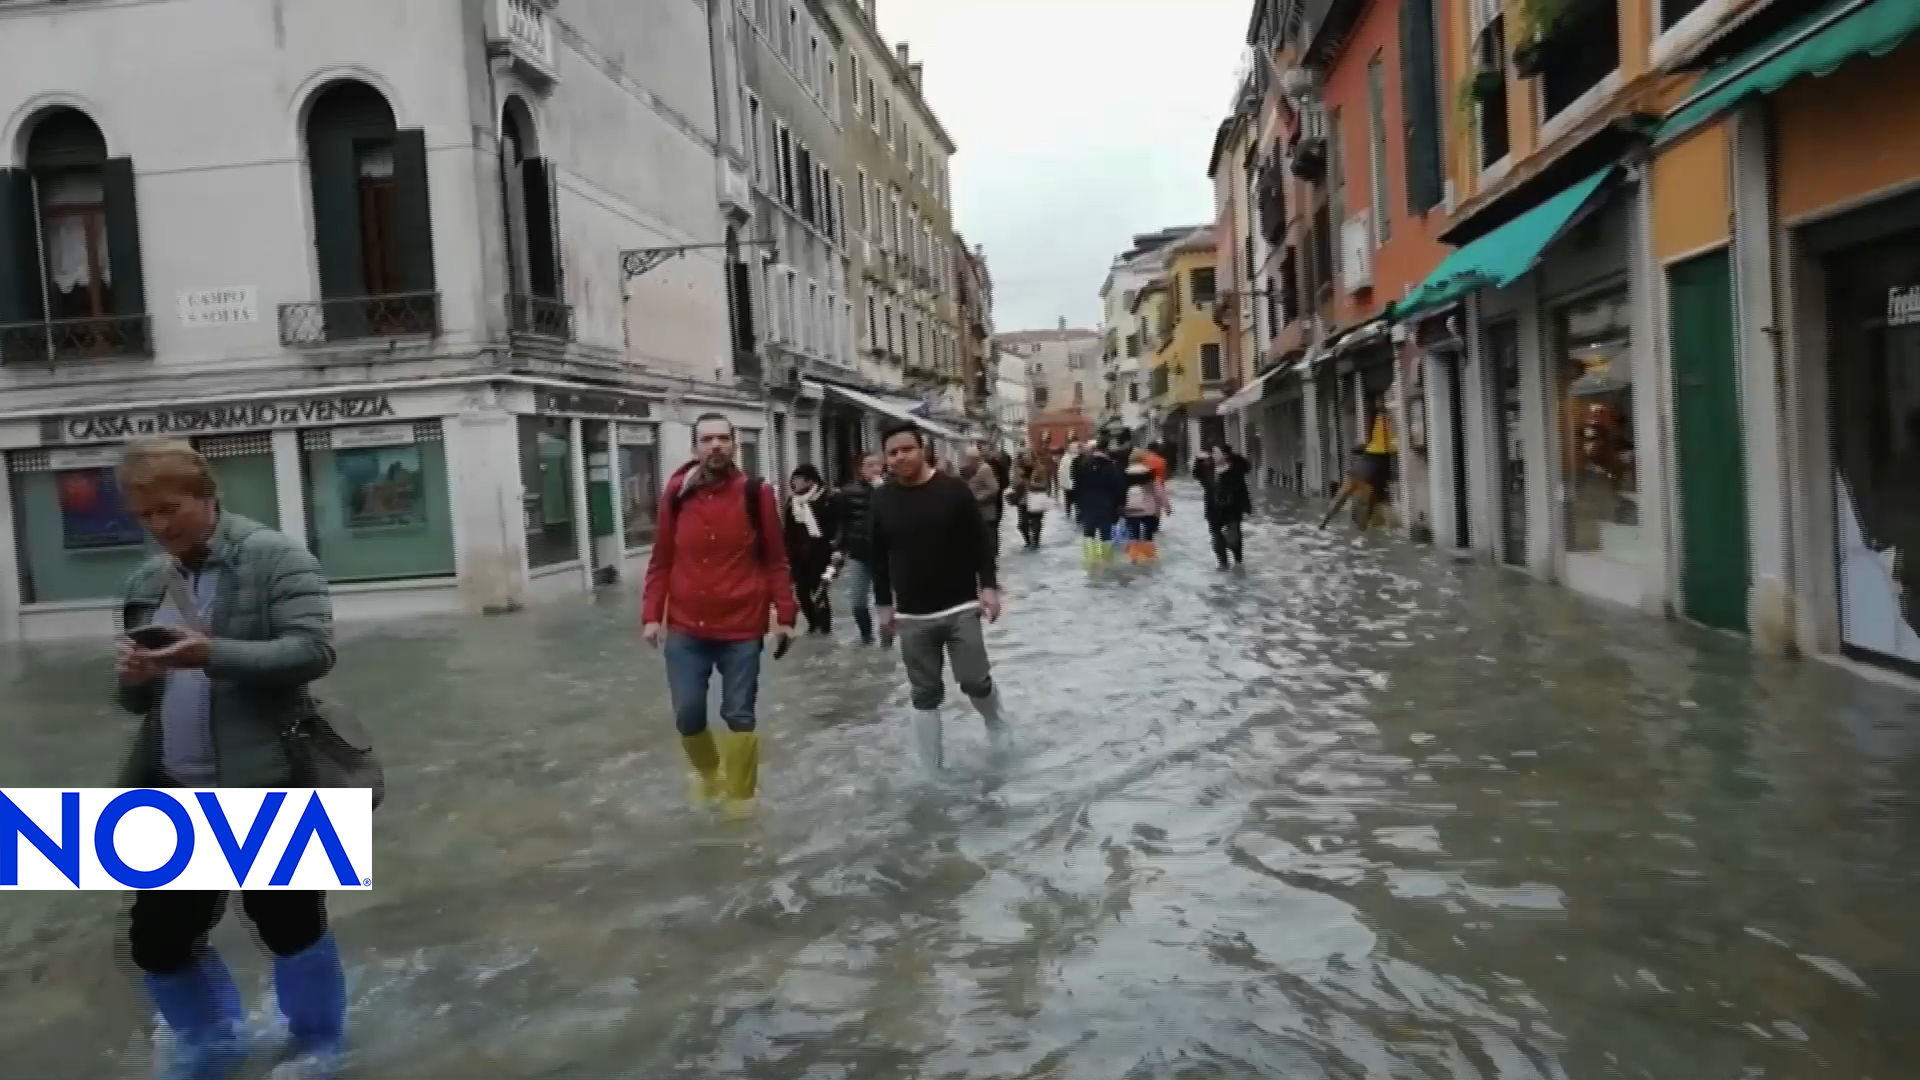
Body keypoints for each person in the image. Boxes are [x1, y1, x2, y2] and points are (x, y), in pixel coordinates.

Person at [110, 439, 348, 1080]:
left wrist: (209, 654)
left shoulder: (275, 556)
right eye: (145, 515)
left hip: (269, 773)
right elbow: (134, 705)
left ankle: (320, 1045)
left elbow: (312, 652)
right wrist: (136, 676)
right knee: (155, 939)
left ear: (207, 494)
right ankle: (213, 1040)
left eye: (171, 508)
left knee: (288, 923)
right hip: (170, 782)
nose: (160, 526)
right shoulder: (145, 579)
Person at [642, 413, 797, 813]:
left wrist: (785, 614)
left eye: (723, 439)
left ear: (735, 444)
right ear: (695, 447)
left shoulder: (756, 493)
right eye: (707, 439)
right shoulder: (676, 493)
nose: (716, 446)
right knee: (688, 714)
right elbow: (661, 560)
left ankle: (741, 799)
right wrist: (650, 615)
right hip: (685, 628)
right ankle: (710, 775)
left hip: (742, 626)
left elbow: (776, 559)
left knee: (738, 713)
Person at [870, 422, 1010, 772]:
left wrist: (989, 587)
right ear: (886, 459)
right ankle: (931, 771)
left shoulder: (954, 491)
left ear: (923, 450)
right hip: (913, 615)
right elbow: (877, 554)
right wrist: (884, 605)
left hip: (961, 605)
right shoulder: (882, 498)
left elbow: (981, 543)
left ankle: (995, 721)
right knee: (924, 693)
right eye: (893, 452)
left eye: (907, 449)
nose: (901, 456)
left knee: (974, 679)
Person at [834, 452, 886, 645]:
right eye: (869, 465)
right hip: (858, 553)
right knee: (857, 600)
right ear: (860, 469)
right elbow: (842, 524)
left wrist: (882, 492)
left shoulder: (890, 490)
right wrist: (838, 548)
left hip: (883, 554)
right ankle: (867, 637)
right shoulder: (847, 492)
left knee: (884, 600)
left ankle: (887, 639)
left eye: (877, 465)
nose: (874, 469)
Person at [781, 463, 840, 635]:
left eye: (798, 480)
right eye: (793, 480)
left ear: (810, 481)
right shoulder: (792, 502)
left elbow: (834, 525)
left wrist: (835, 548)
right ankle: (812, 622)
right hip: (798, 553)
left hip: (820, 552)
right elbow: (788, 529)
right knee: (801, 591)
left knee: (819, 589)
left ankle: (825, 627)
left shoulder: (826, 498)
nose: (794, 484)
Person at [1072, 441, 1126, 566]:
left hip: (1087, 505)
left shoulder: (1083, 465)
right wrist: (1120, 505)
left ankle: (1090, 562)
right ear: (1106, 450)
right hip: (1106, 506)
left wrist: (1078, 505)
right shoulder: (1111, 467)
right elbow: (1119, 487)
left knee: (1089, 534)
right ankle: (1107, 562)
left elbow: (1076, 485)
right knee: (1106, 536)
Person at [1199, 444, 1253, 569]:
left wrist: (1246, 506)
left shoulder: (1236, 469)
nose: (1213, 455)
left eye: (1215, 452)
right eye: (1212, 453)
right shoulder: (1207, 468)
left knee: (1234, 539)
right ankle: (1222, 564)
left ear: (1225, 455)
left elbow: (1242, 490)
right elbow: (1197, 475)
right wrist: (1199, 459)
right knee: (1217, 540)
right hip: (1213, 510)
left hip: (1232, 510)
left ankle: (1238, 562)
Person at [1120, 448, 1170, 563]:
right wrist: (1167, 507)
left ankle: (1134, 560)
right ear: (1144, 459)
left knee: (1133, 537)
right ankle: (1149, 560)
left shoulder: (1124, 473)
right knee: (1148, 536)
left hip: (1130, 510)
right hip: (1148, 510)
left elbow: (1119, 491)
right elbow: (1159, 492)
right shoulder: (1150, 473)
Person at [961, 443, 1003, 556]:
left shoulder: (985, 469)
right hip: (978, 511)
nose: (967, 462)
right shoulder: (974, 470)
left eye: (968, 460)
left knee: (989, 537)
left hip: (986, 511)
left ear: (974, 459)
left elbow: (994, 488)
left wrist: (979, 497)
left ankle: (991, 559)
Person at [1007, 452, 1048, 550]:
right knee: (1022, 524)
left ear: (1034, 459)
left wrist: (1031, 484)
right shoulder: (1018, 470)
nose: (1027, 462)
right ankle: (1028, 541)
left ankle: (1036, 542)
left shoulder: (1040, 469)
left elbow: (1045, 486)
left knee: (1036, 523)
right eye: (1024, 460)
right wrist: (1017, 476)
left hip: (1036, 499)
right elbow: (1012, 485)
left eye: (1029, 459)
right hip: (1022, 500)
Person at [1059, 440, 1081, 522]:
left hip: (1076, 484)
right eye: (1075, 448)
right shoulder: (1066, 458)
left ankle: (1078, 514)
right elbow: (1061, 472)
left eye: (1077, 447)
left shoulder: (1079, 458)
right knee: (1068, 500)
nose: (1077, 449)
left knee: (1077, 501)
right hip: (1068, 485)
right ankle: (1068, 512)